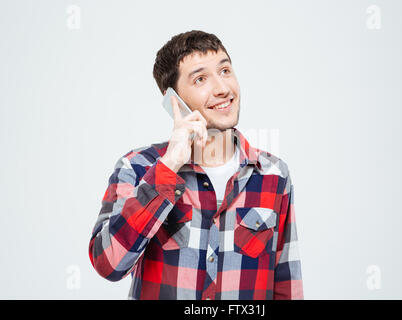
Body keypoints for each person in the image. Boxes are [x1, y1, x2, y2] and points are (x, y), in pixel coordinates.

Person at [88, 30, 304, 300]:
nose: (222, 88)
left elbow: (286, 284)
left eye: (225, 70)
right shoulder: (137, 167)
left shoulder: (273, 173)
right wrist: (168, 168)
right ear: (174, 101)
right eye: (201, 78)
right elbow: (108, 264)